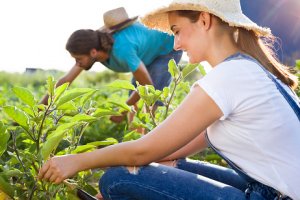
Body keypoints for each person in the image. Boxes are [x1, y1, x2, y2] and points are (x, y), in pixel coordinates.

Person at [38, 0, 300, 199]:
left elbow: (144, 150)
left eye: (177, 31)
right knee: (169, 162)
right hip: (269, 187)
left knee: (115, 180)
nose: (175, 45)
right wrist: (151, 159)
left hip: (276, 195)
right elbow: (173, 148)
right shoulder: (246, 68)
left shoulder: (228, 77)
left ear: (205, 21)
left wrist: (76, 160)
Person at [40, 7, 182, 123]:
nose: (77, 63)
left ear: (93, 52)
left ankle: (147, 148)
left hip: (167, 48)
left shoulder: (122, 49)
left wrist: (122, 110)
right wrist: (39, 111)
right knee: (134, 101)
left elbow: (146, 84)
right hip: (145, 53)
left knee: (149, 99)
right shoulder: (93, 47)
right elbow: (66, 80)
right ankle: (134, 144)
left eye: (78, 59)